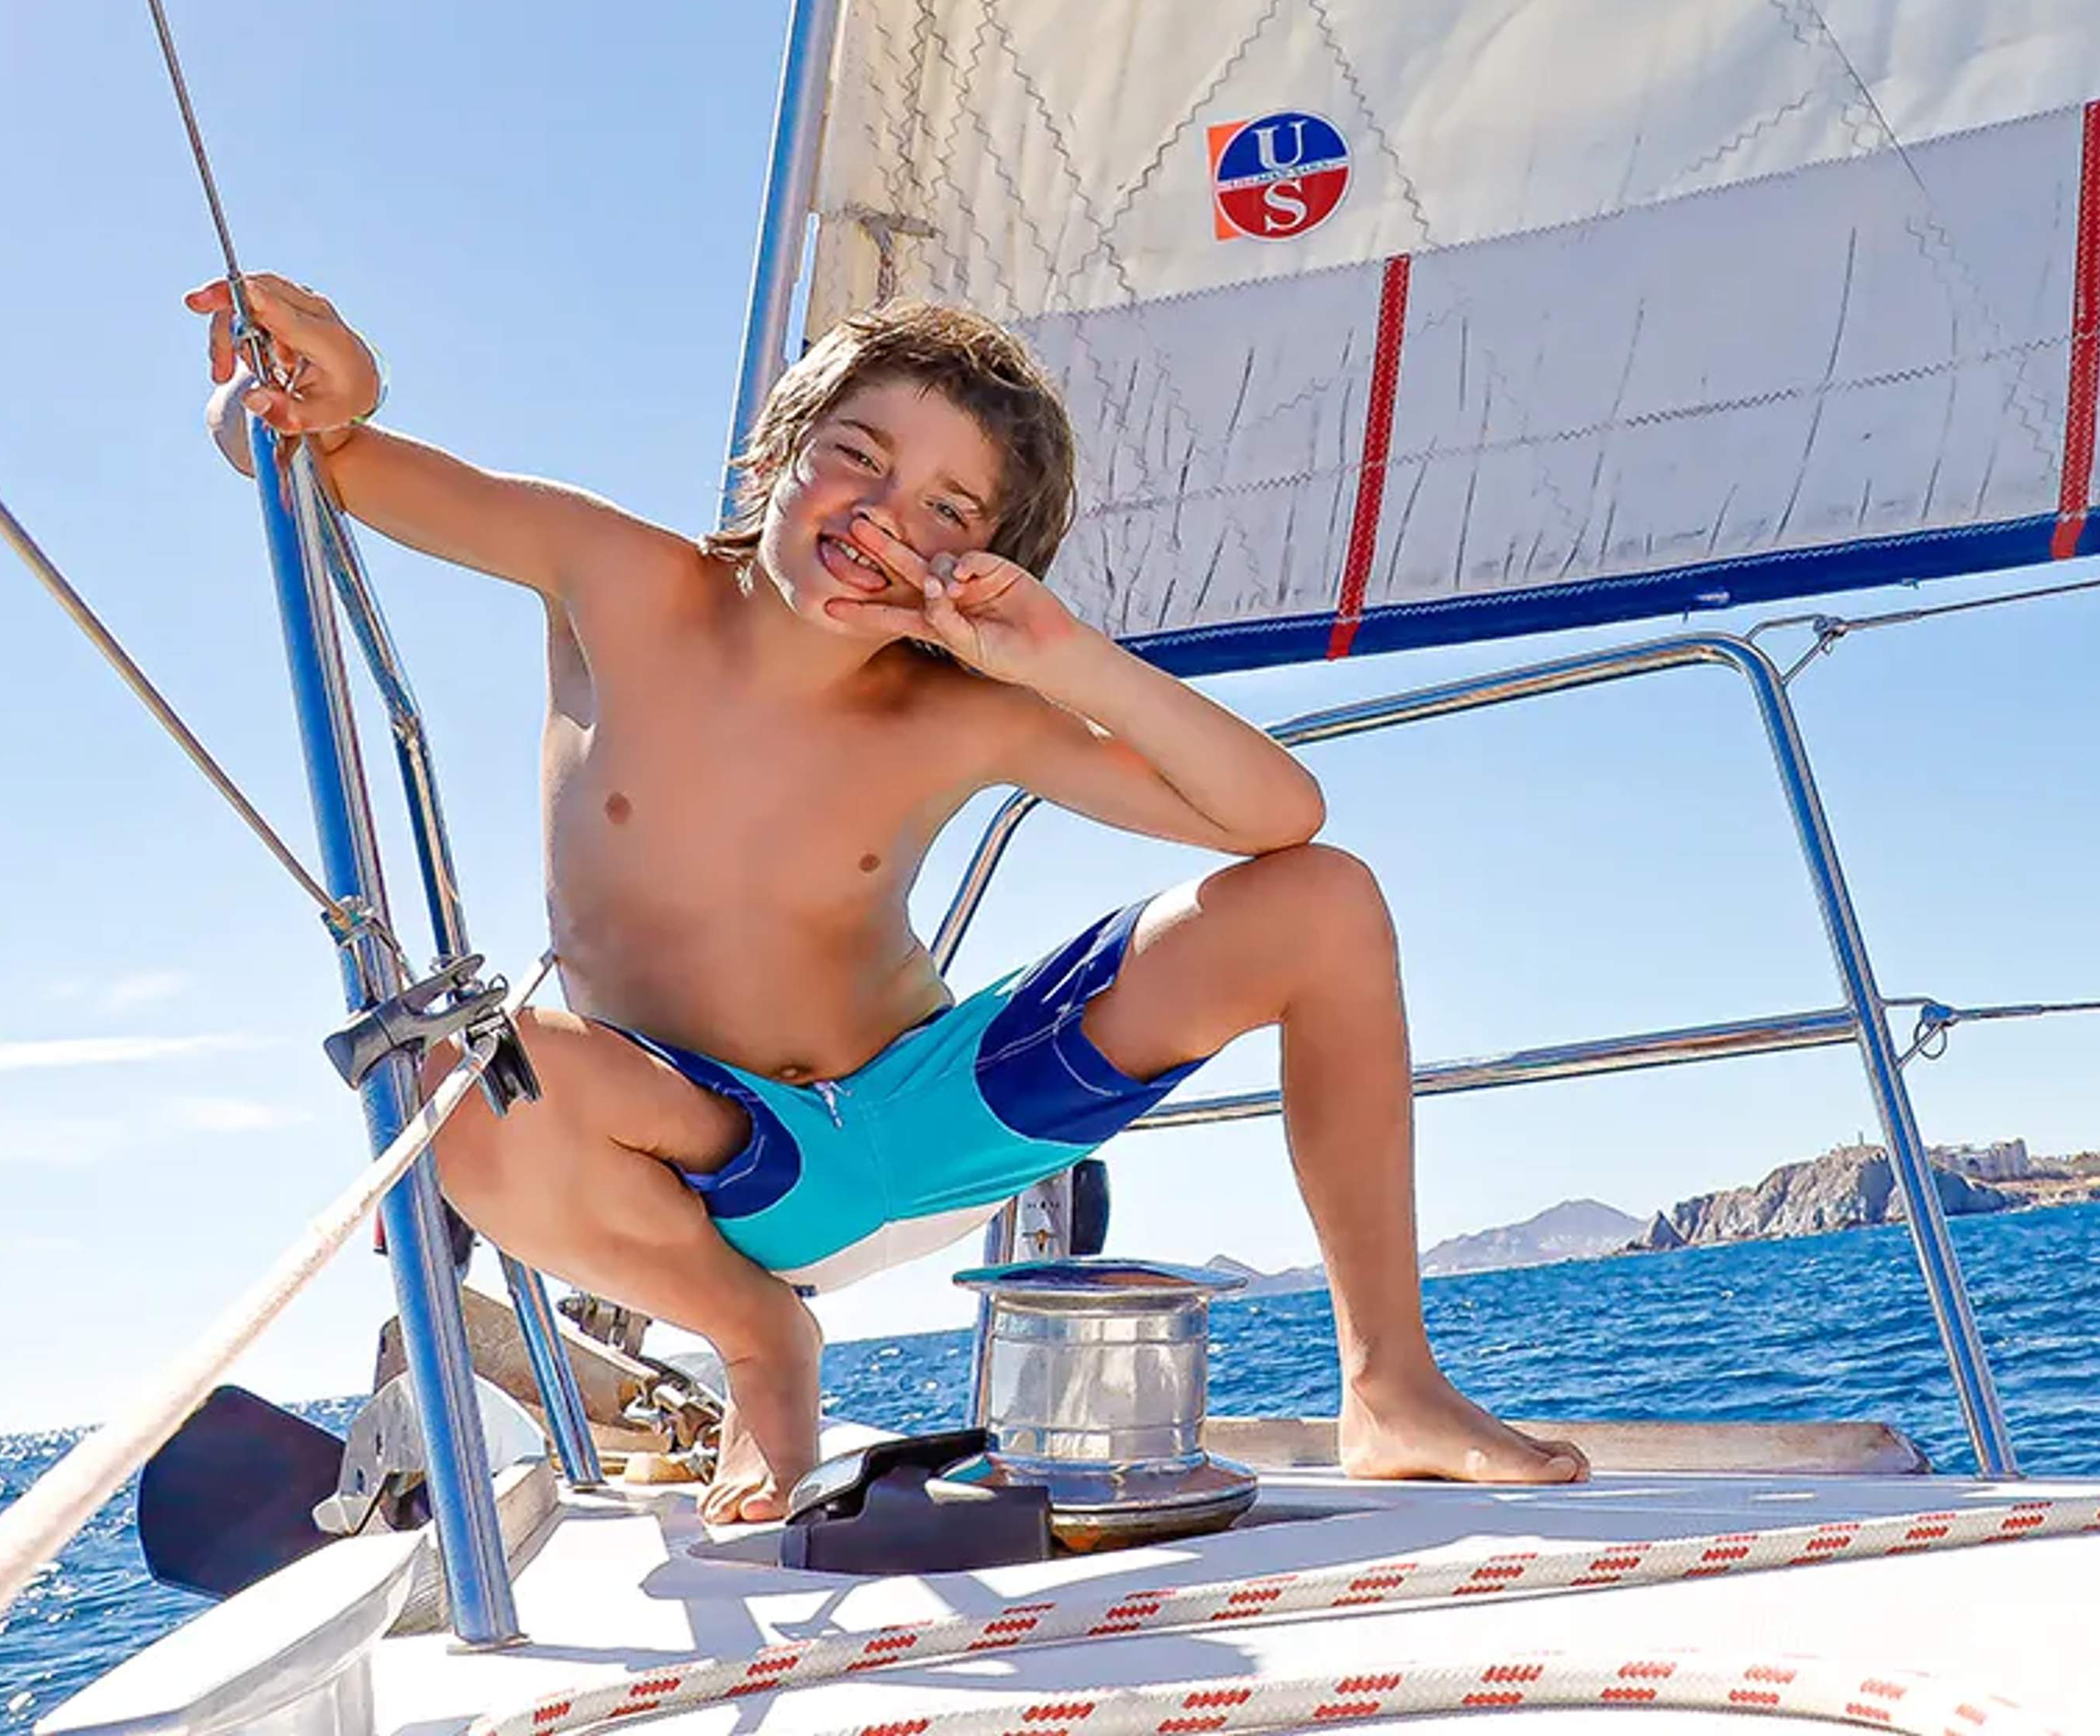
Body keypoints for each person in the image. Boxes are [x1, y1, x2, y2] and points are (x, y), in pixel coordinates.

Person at [191, 273, 1589, 1519]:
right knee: (448, 1076)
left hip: (935, 1127)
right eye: (854, 459)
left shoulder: (961, 708)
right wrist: (330, 400)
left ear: (982, 560)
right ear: (777, 458)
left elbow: (1280, 819)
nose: (881, 517)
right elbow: (313, 466)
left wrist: (1059, 656)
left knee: (1324, 901)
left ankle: (1390, 1386)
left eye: (947, 510)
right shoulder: (614, 574)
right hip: (705, 1163)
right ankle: (758, 1339)